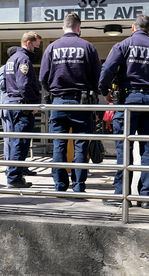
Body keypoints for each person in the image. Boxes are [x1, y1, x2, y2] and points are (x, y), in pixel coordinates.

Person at [99, 15, 149, 209]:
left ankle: (122, 195)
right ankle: (146, 196)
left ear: (133, 27)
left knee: (125, 148)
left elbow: (107, 70)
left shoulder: (123, 45)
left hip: (128, 100)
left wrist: (104, 91)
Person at [39, 13, 101, 192]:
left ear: (63, 28)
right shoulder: (88, 47)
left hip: (58, 102)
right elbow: (98, 77)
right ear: (79, 27)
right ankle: (79, 185)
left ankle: (60, 185)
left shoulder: (51, 48)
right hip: (82, 103)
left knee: (59, 145)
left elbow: (43, 77)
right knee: (81, 145)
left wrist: (53, 90)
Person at [4, 31, 42, 188]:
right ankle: (14, 178)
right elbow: (24, 84)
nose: (37, 49)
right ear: (29, 43)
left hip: (13, 104)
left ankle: (13, 175)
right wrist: (33, 102)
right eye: (36, 45)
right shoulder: (24, 59)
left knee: (15, 143)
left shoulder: (11, 59)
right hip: (22, 106)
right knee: (21, 143)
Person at [0, 46, 37, 177]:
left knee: (19, 141)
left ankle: (18, 168)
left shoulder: (12, 64)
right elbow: (7, 86)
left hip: (13, 105)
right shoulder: (7, 67)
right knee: (12, 140)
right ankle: (11, 169)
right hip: (12, 105)